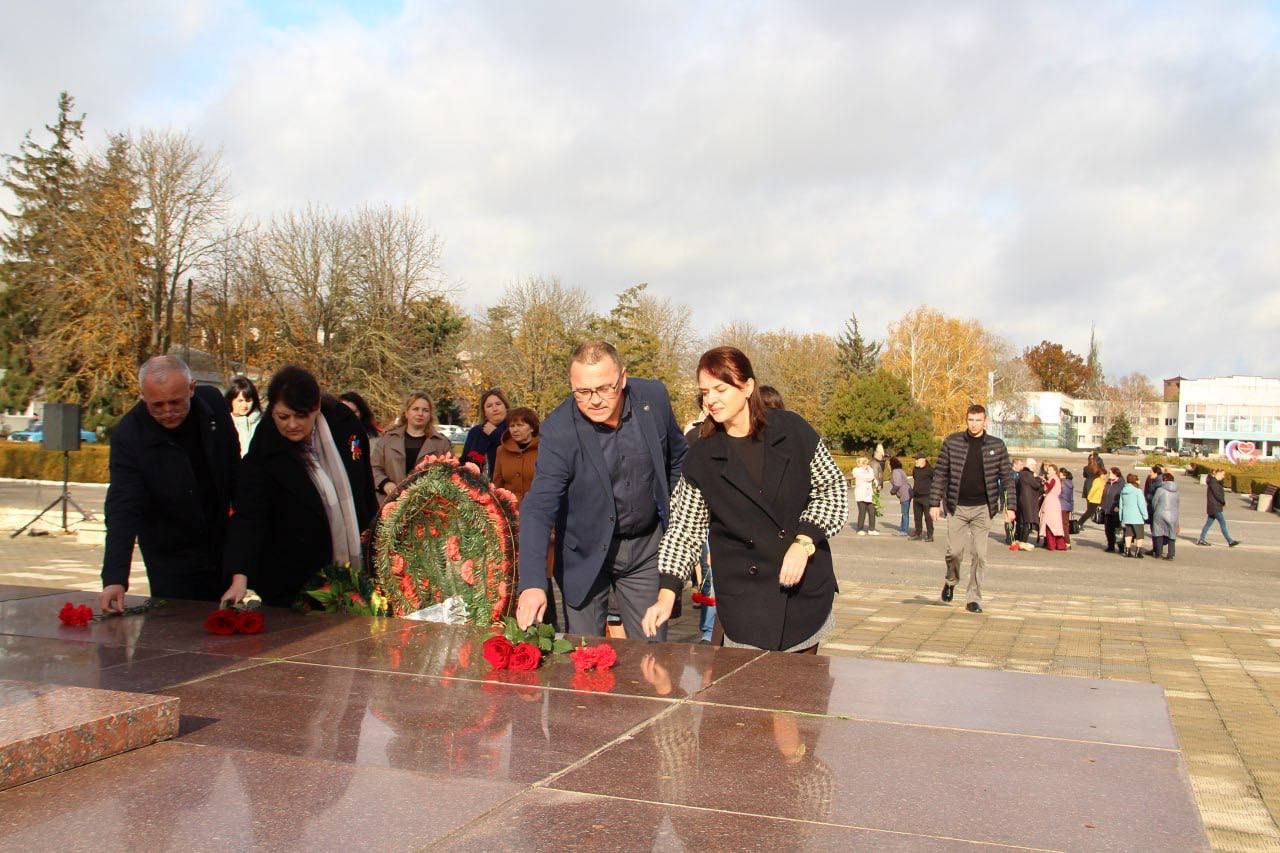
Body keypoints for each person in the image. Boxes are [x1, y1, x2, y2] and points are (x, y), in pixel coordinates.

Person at [641, 346, 848, 651]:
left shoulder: (792, 430)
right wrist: (667, 593)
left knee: (804, 695)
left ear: (748, 386)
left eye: (720, 389)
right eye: (704, 392)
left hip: (803, 596)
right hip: (746, 602)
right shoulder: (701, 456)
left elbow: (832, 490)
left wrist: (804, 543)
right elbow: (684, 531)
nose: (710, 399)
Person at [514, 342, 687, 641]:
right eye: (582, 392)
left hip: (646, 549)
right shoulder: (558, 429)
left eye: (604, 388)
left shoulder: (653, 398)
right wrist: (531, 583)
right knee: (586, 657)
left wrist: (677, 526)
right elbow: (539, 506)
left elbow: (678, 459)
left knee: (652, 654)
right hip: (584, 552)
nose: (594, 400)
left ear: (622, 378)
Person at [220, 365, 376, 608]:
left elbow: (365, 493)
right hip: (292, 578)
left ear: (316, 408)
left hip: (354, 572)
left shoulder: (344, 426)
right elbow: (250, 515)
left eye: (301, 416)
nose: (292, 424)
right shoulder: (265, 449)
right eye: (283, 416)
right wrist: (240, 577)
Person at [100, 355, 239, 611]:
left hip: (218, 540)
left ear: (192, 388)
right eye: (157, 405)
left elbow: (233, 465)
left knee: (223, 627)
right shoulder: (129, 435)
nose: (167, 412)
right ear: (143, 396)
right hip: (169, 550)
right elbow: (123, 506)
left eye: (176, 402)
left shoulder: (213, 405)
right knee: (175, 628)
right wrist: (115, 579)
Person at [928, 404, 1015, 614]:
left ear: (985, 421)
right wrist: (934, 503)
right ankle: (951, 580)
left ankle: (974, 598)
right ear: (966, 420)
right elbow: (940, 473)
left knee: (980, 554)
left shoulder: (997, 445)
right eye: (970, 420)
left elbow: (1007, 478)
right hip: (957, 506)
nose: (974, 424)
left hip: (983, 508)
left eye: (978, 420)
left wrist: (1010, 507)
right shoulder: (952, 442)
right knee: (954, 552)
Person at [372, 391, 452, 505]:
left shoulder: (441, 443)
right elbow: (374, 467)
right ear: (406, 413)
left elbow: (451, 474)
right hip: (389, 505)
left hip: (427, 507)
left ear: (430, 415)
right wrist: (385, 483)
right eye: (415, 409)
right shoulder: (388, 439)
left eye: (425, 410)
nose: (420, 413)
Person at [491, 406, 541, 503]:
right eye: (512, 426)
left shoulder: (544, 449)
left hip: (538, 510)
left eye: (520, 425)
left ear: (532, 428)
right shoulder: (501, 450)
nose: (515, 430)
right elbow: (497, 484)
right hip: (510, 511)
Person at [461, 389, 508, 475]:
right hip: (476, 484)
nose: (495, 408)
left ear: (506, 407)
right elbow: (464, 460)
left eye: (498, 404)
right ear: (484, 412)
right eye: (489, 406)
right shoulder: (475, 432)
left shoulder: (513, 429)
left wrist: (494, 433)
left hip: (505, 485)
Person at [1197, 469, 1241, 547]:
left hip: (1213, 507)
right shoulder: (1213, 482)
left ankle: (1201, 539)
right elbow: (1217, 494)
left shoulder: (1214, 482)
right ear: (1217, 473)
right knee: (1223, 523)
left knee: (1208, 524)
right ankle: (1230, 541)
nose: (1223, 476)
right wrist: (1223, 502)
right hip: (1215, 507)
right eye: (1222, 474)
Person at [225, 376, 261, 458]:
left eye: (248, 401)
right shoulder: (224, 423)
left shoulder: (261, 422)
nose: (245, 405)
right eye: (240, 401)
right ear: (231, 400)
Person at [1118, 473, 1149, 558]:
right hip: (1137, 517)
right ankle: (1138, 552)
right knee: (1140, 535)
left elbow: (1121, 505)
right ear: (1135, 481)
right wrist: (1145, 516)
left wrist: (1121, 516)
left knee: (1128, 534)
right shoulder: (1137, 491)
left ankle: (1127, 551)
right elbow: (1141, 505)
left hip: (1127, 516)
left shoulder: (1123, 491)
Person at [1016, 457, 1044, 550]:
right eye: (1035, 465)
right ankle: (1023, 542)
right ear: (1031, 465)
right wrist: (1038, 478)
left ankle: (1020, 540)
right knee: (1027, 522)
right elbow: (1036, 485)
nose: (1036, 467)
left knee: (1023, 521)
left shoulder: (1022, 474)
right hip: (1028, 501)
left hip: (1023, 500)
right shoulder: (1027, 474)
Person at [1151, 472, 1180, 560]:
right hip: (1173, 514)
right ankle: (1171, 554)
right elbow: (1177, 504)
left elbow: (1154, 502)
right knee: (1172, 534)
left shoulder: (1160, 490)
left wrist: (1155, 510)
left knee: (1159, 532)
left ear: (1165, 479)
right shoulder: (1177, 491)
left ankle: (1159, 553)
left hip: (1160, 513)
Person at [1038, 463, 1066, 551]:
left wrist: (1044, 480)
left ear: (1054, 471)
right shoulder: (1054, 478)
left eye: (1050, 470)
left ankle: (1052, 545)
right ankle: (1059, 545)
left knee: (1050, 523)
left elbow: (1050, 487)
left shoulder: (1053, 478)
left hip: (1051, 503)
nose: (1048, 471)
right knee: (1054, 524)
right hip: (1052, 502)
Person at [851, 457, 877, 535]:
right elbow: (868, 478)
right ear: (860, 463)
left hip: (869, 494)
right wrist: (869, 470)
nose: (866, 464)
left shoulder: (868, 470)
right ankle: (859, 529)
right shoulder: (857, 471)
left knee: (872, 512)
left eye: (866, 462)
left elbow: (873, 478)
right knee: (862, 512)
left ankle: (871, 529)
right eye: (864, 463)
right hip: (861, 495)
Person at [910, 456, 934, 541]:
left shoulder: (930, 470)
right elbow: (915, 478)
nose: (915, 461)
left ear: (923, 460)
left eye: (917, 459)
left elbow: (934, 480)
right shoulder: (915, 469)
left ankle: (930, 535)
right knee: (917, 517)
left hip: (927, 497)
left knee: (928, 517)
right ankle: (918, 533)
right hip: (916, 497)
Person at [1101, 466, 1125, 554]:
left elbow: (1122, 497)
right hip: (1107, 509)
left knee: (1118, 530)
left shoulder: (1121, 484)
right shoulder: (1108, 483)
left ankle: (1121, 547)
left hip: (1116, 511)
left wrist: (1118, 506)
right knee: (1108, 529)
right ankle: (1110, 546)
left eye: (1110, 473)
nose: (1108, 475)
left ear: (1116, 474)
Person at [1079, 459, 1105, 530]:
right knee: (1089, 512)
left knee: (1105, 512)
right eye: (1103, 475)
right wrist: (1089, 498)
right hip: (1094, 499)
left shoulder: (1102, 481)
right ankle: (1079, 523)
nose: (1105, 476)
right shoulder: (1098, 481)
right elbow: (1093, 490)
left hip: (1099, 499)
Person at [889, 456, 912, 536]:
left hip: (904, 493)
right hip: (907, 492)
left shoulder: (895, 471)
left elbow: (897, 484)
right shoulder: (900, 470)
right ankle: (903, 528)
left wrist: (892, 491)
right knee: (904, 512)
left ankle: (904, 530)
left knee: (905, 513)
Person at [1144, 465, 1164, 553]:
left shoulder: (1159, 483)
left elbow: (1156, 497)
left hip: (1156, 509)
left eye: (1151, 472)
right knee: (1154, 529)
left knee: (1156, 530)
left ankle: (1158, 550)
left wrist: (1148, 497)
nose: (1150, 473)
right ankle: (1155, 549)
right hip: (1152, 508)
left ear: (1156, 473)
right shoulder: (1154, 480)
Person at [1059, 467, 1075, 549]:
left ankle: (1066, 542)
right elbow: (1071, 498)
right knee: (1065, 524)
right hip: (1068, 506)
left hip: (1062, 506)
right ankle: (1067, 542)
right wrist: (1071, 507)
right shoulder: (1070, 483)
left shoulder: (1062, 483)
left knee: (1063, 525)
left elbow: (1060, 495)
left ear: (1063, 475)